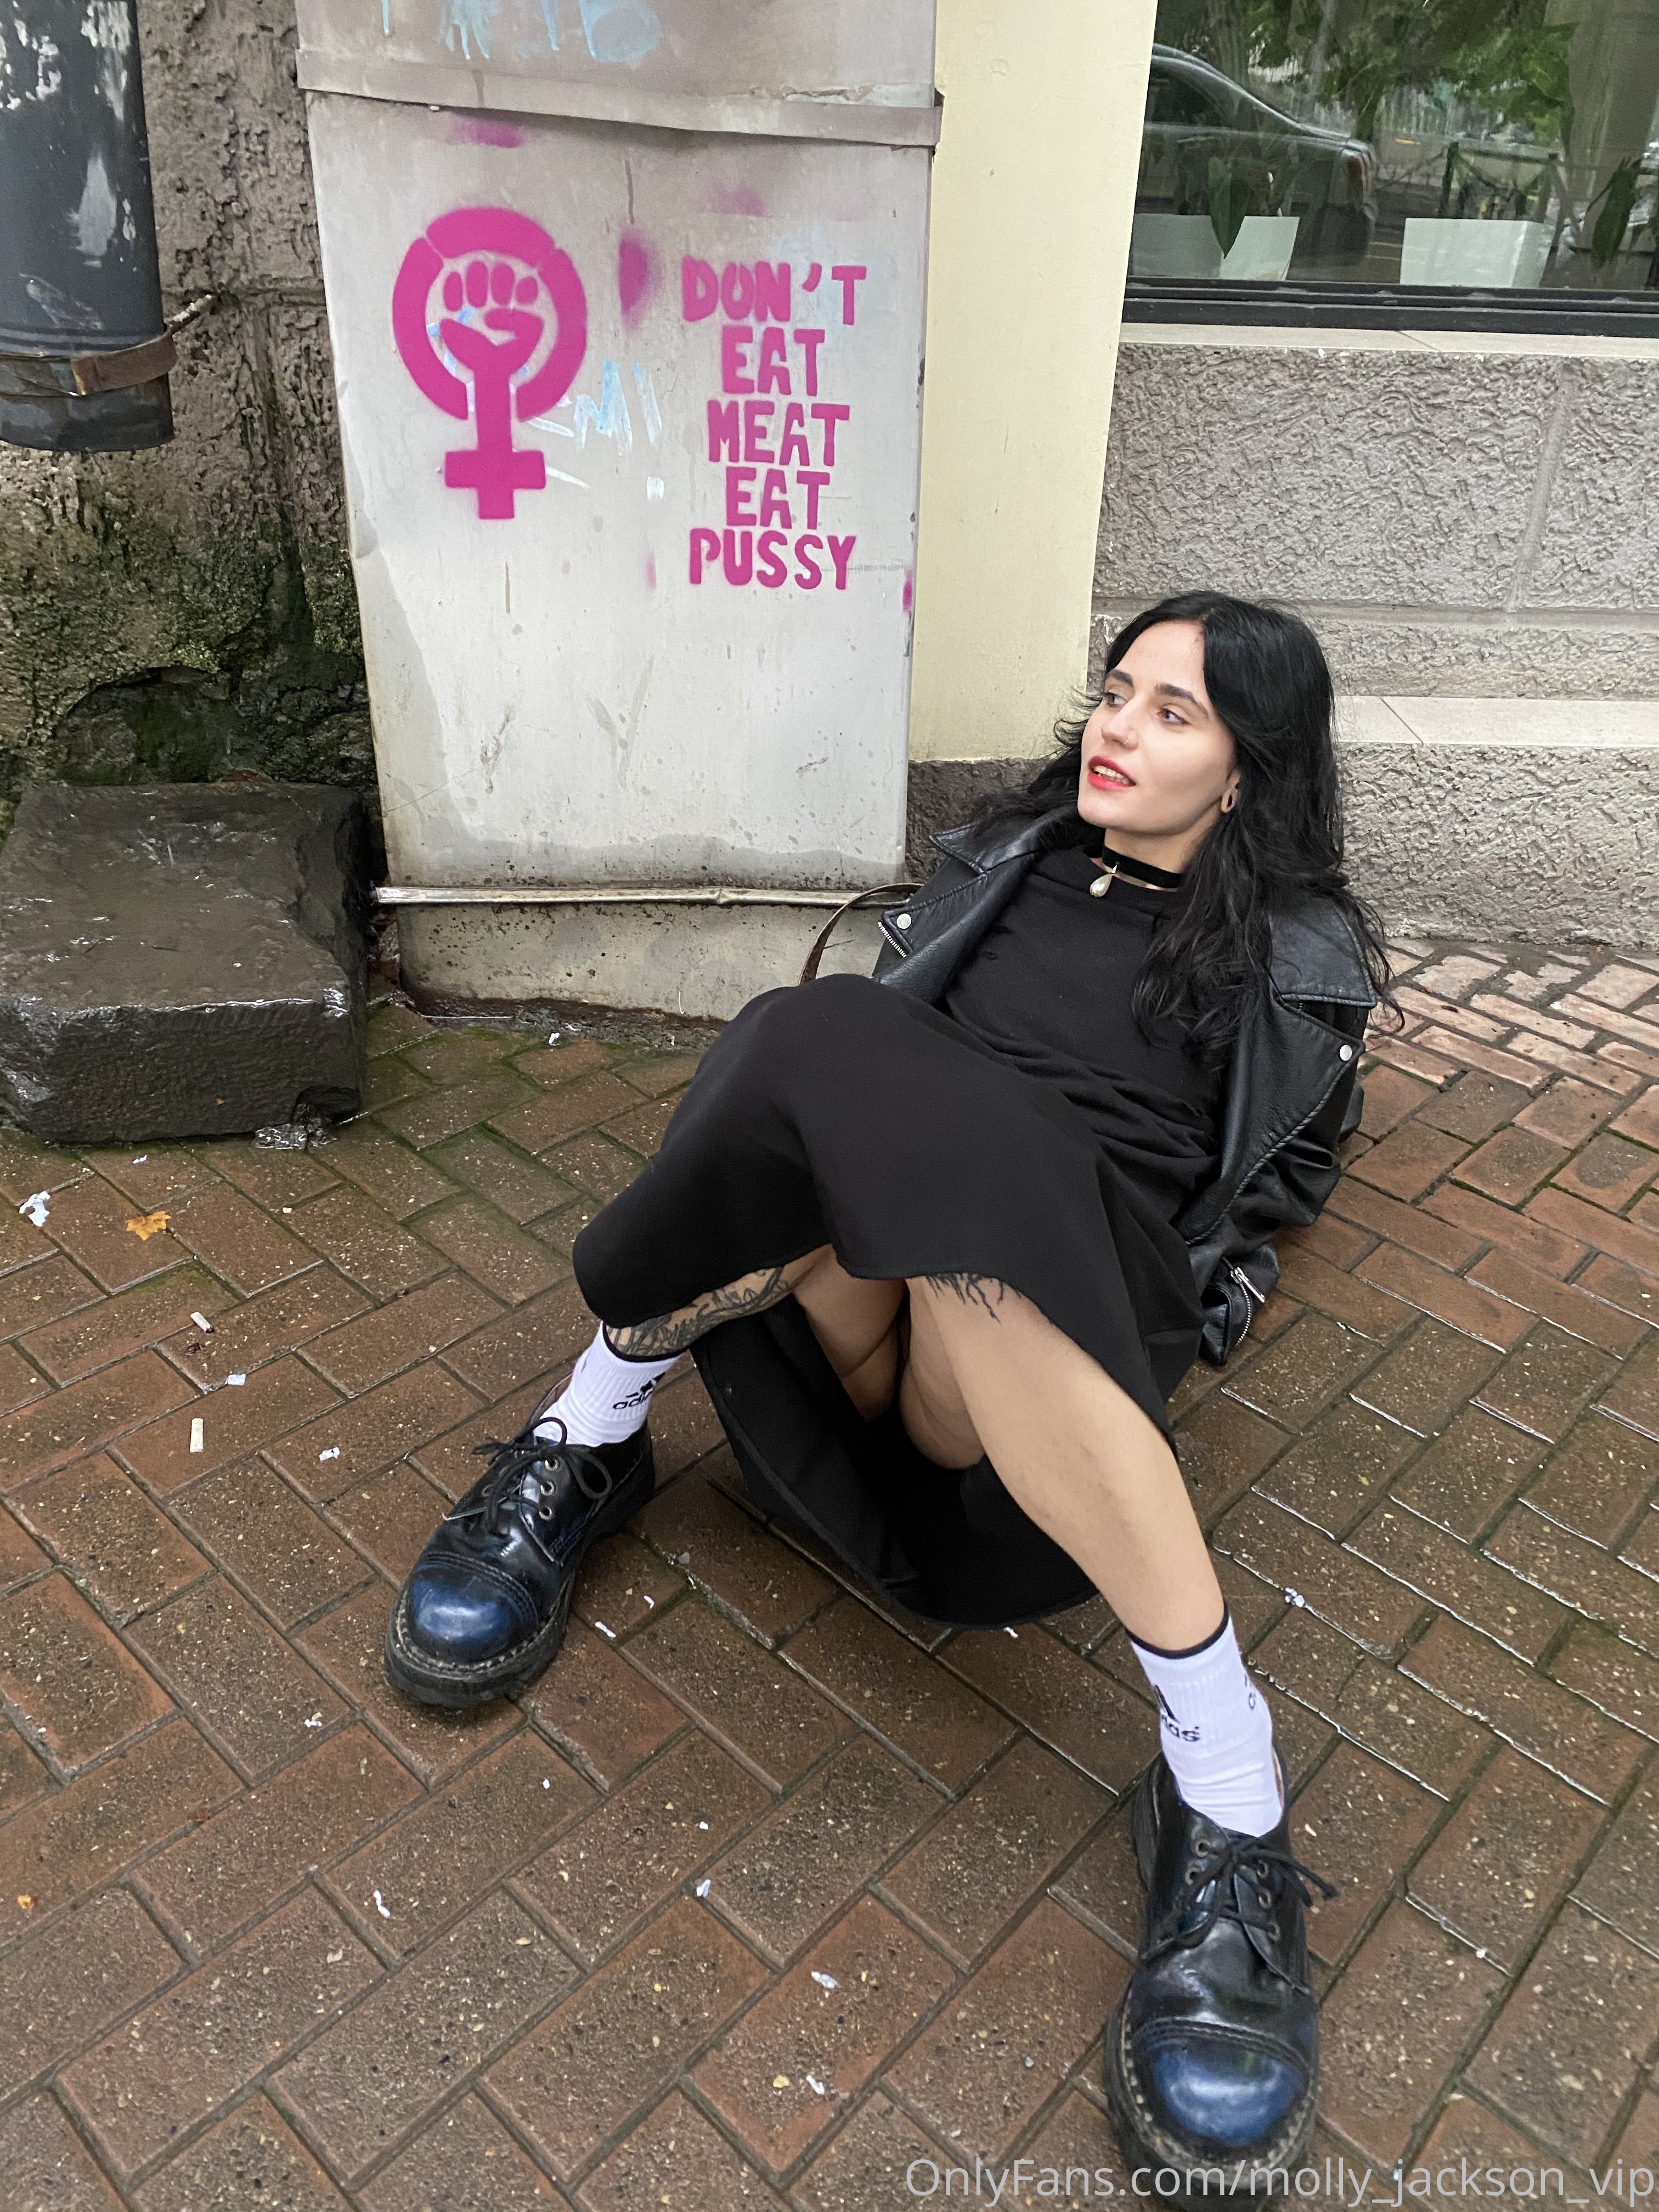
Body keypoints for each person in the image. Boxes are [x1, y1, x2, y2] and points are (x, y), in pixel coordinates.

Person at [385, 590, 1387, 2191]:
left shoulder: (1299, 962)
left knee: (870, 1070)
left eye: (1173, 713)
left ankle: (1228, 1783)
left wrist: (1227, 1294)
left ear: (1250, 770)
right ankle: (593, 1435)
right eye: (1116, 692)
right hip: (880, 1315)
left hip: (1040, 1391)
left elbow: (1284, 1182)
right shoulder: (1005, 858)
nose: (1118, 730)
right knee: (828, 1054)